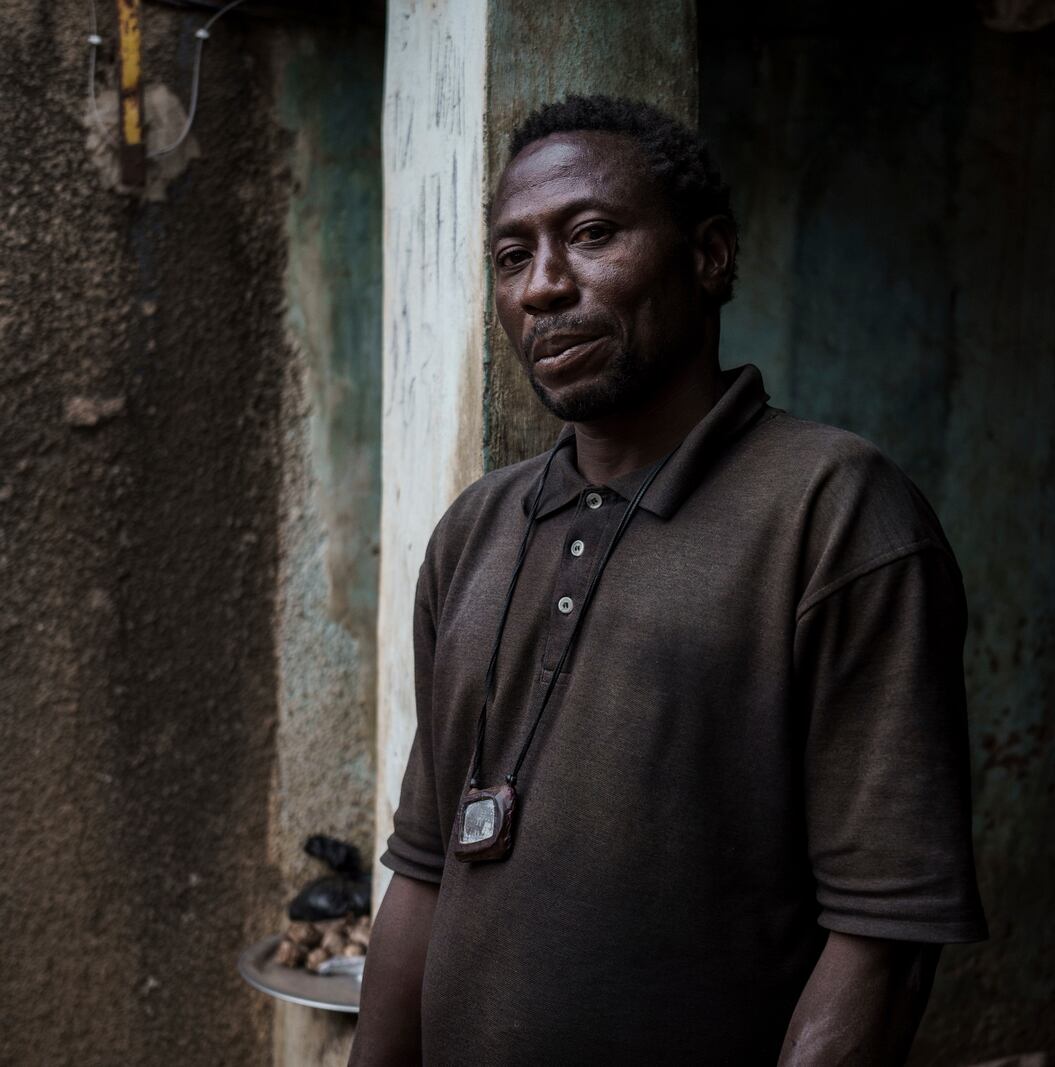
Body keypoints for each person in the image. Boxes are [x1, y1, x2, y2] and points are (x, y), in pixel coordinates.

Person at [349, 95, 986, 1066]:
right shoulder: (475, 529)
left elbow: (884, 930)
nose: (543, 287)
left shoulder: (834, 511)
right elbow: (427, 870)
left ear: (710, 257)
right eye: (512, 256)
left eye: (592, 235)